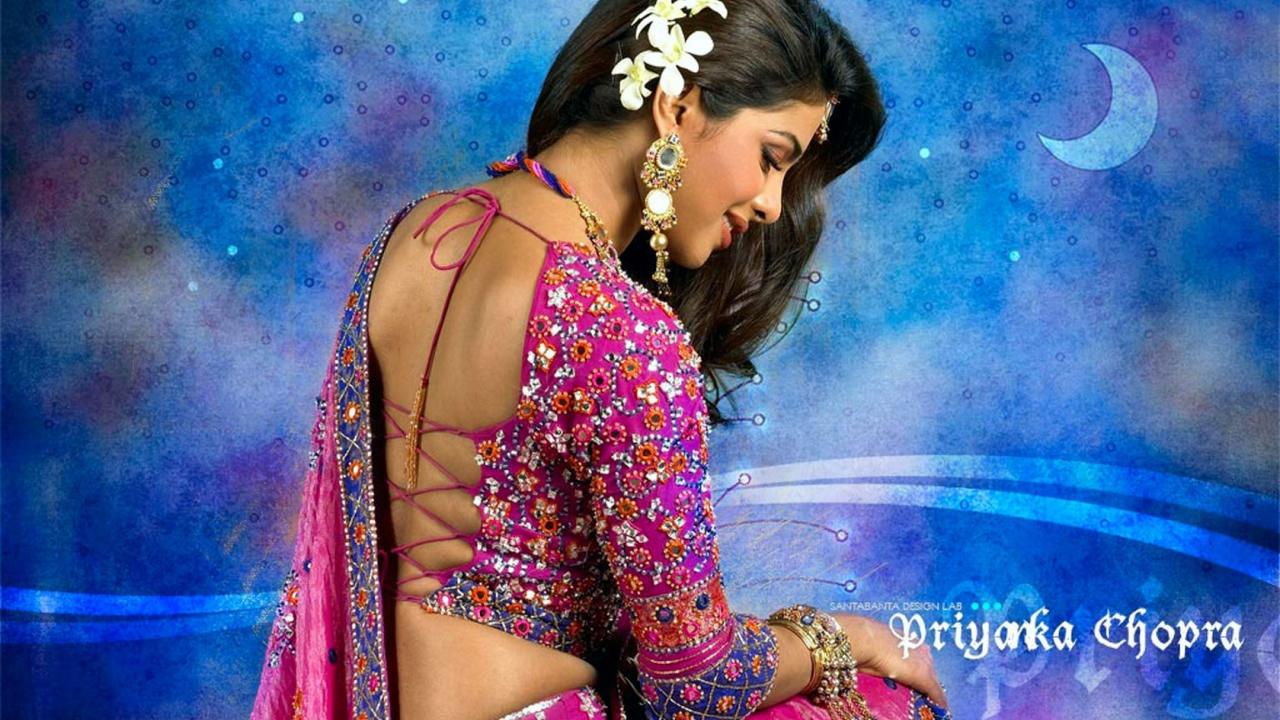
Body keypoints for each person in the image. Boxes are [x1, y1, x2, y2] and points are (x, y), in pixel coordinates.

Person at [250, 1, 952, 718]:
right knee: (888, 703)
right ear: (677, 106)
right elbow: (696, 680)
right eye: (772, 158)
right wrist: (847, 639)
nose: (773, 203)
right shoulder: (619, 329)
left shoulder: (407, 237)